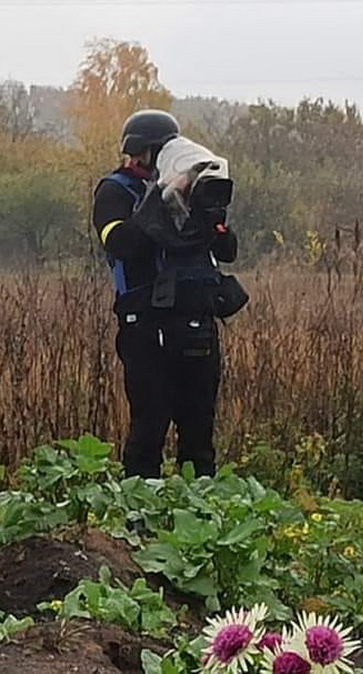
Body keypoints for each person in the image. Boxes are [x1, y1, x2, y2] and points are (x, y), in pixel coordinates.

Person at [91, 109, 241, 479]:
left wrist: (206, 213)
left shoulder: (189, 194)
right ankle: (140, 517)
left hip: (195, 321)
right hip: (146, 325)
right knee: (149, 425)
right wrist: (160, 200)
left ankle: (200, 517)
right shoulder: (115, 191)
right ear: (140, 152)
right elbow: (122, 244)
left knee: (198, 428)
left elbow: (227, 250)